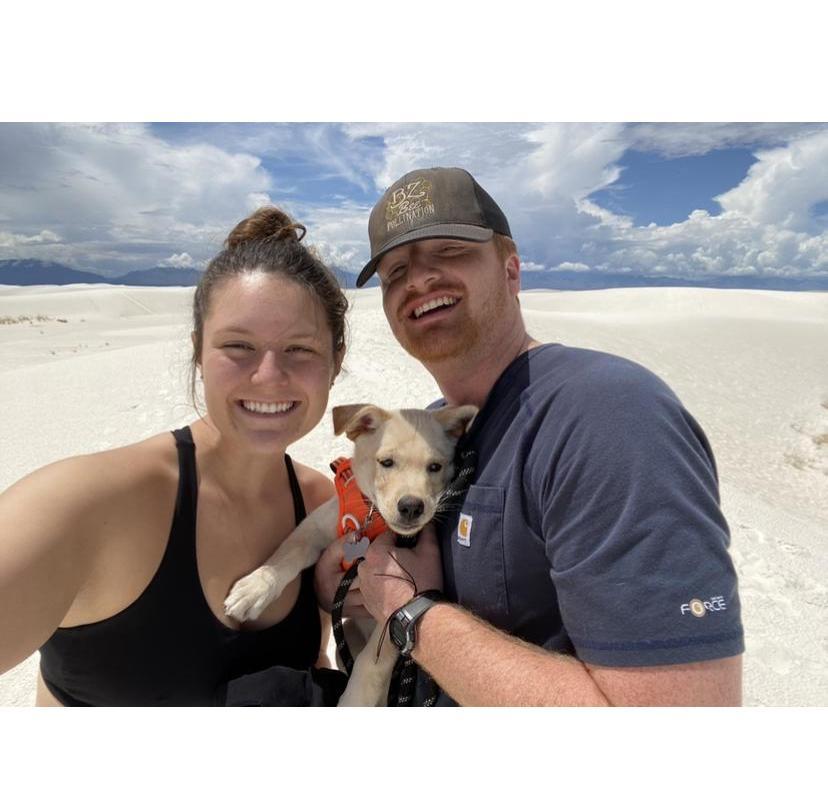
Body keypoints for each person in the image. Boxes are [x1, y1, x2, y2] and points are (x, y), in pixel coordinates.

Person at [315, 166, 744, 706]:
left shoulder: (608, 417)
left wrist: (411, 613)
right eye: (395, 270)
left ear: (511, 270)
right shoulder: (432, 431)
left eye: (449, 251)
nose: (418, 280)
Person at [0, 206, 349, 706]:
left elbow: (312, 667)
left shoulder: (321, 506)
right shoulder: (86, 504)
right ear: (198, 353)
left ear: (335, 362)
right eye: (238, 346)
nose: (269, 375)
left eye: (300, 349)